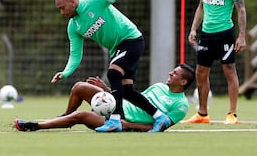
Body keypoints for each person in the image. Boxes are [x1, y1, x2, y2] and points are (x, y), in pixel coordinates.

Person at [50, 0, 171, 132]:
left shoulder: (94, 1)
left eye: (62, 8)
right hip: (118, 48)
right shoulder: (73, 26)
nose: (61, 12)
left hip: (131, 39)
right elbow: (75, 54)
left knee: (113, 73)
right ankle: (160, 117)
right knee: (127, 90)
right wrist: (65, 72)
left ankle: (115, 120)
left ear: (73, 1)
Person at [15, 64, 195, 132]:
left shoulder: (181, 106)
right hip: (117, 106)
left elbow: (160, 126)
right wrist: (107, 90)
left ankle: (35, 126)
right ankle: (64, 117)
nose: (170, 72)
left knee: (82, 116)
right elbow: (133, 98)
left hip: (124, 121)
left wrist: (129, 125)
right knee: (79, 87)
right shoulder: (159, 86)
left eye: (175, 73)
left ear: (184, 81)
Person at [181, 0, 247, 125]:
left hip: (225, 33)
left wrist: (241, 36)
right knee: (201, 72)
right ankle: (202, 113)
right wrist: (194, 28)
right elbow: (201, 7)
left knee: (229, 70)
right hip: (206, 34)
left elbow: (241, 9)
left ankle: (232, 114)